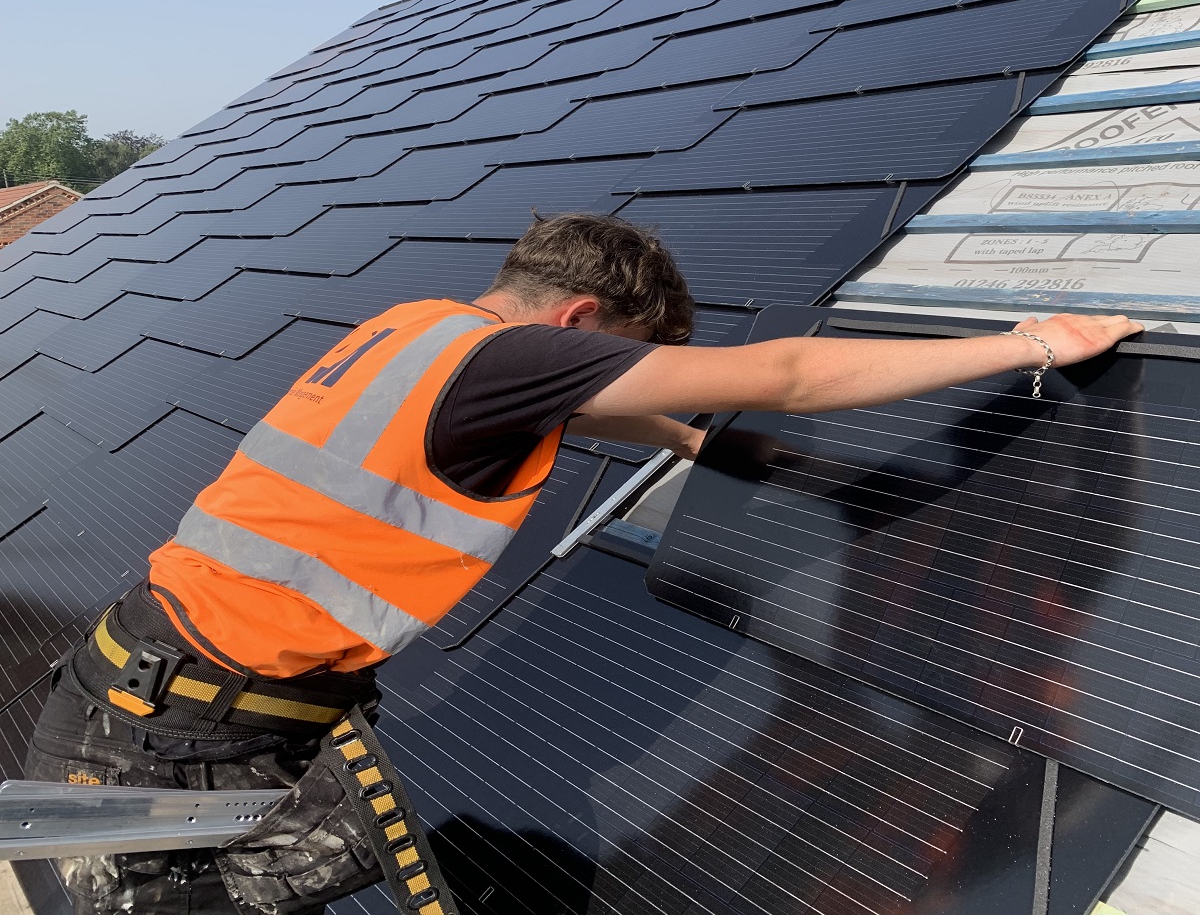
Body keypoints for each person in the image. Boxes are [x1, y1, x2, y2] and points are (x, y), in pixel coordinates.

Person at [24, 212, 1143, 915]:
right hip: (182, 740)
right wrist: (1030, 345)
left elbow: (557, 405)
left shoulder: (417, 329)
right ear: (574, 317)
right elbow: (793, 370)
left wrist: (701, 443)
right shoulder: (506, 362)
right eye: (622, 361)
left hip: (137, 681)